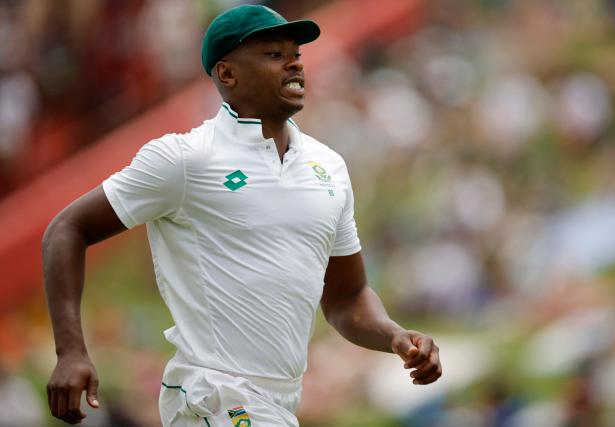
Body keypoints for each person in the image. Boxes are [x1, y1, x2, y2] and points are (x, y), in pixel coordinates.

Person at [42, 5, 442, 426]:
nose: (293, 62)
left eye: (296, 53)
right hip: (213, 393)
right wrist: (70, 350)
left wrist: (395, 336)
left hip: (278, 401)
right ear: (227, 74)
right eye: (273, 54)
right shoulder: (185, 159)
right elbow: (67, 228)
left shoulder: (329, 168)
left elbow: (346, 297)